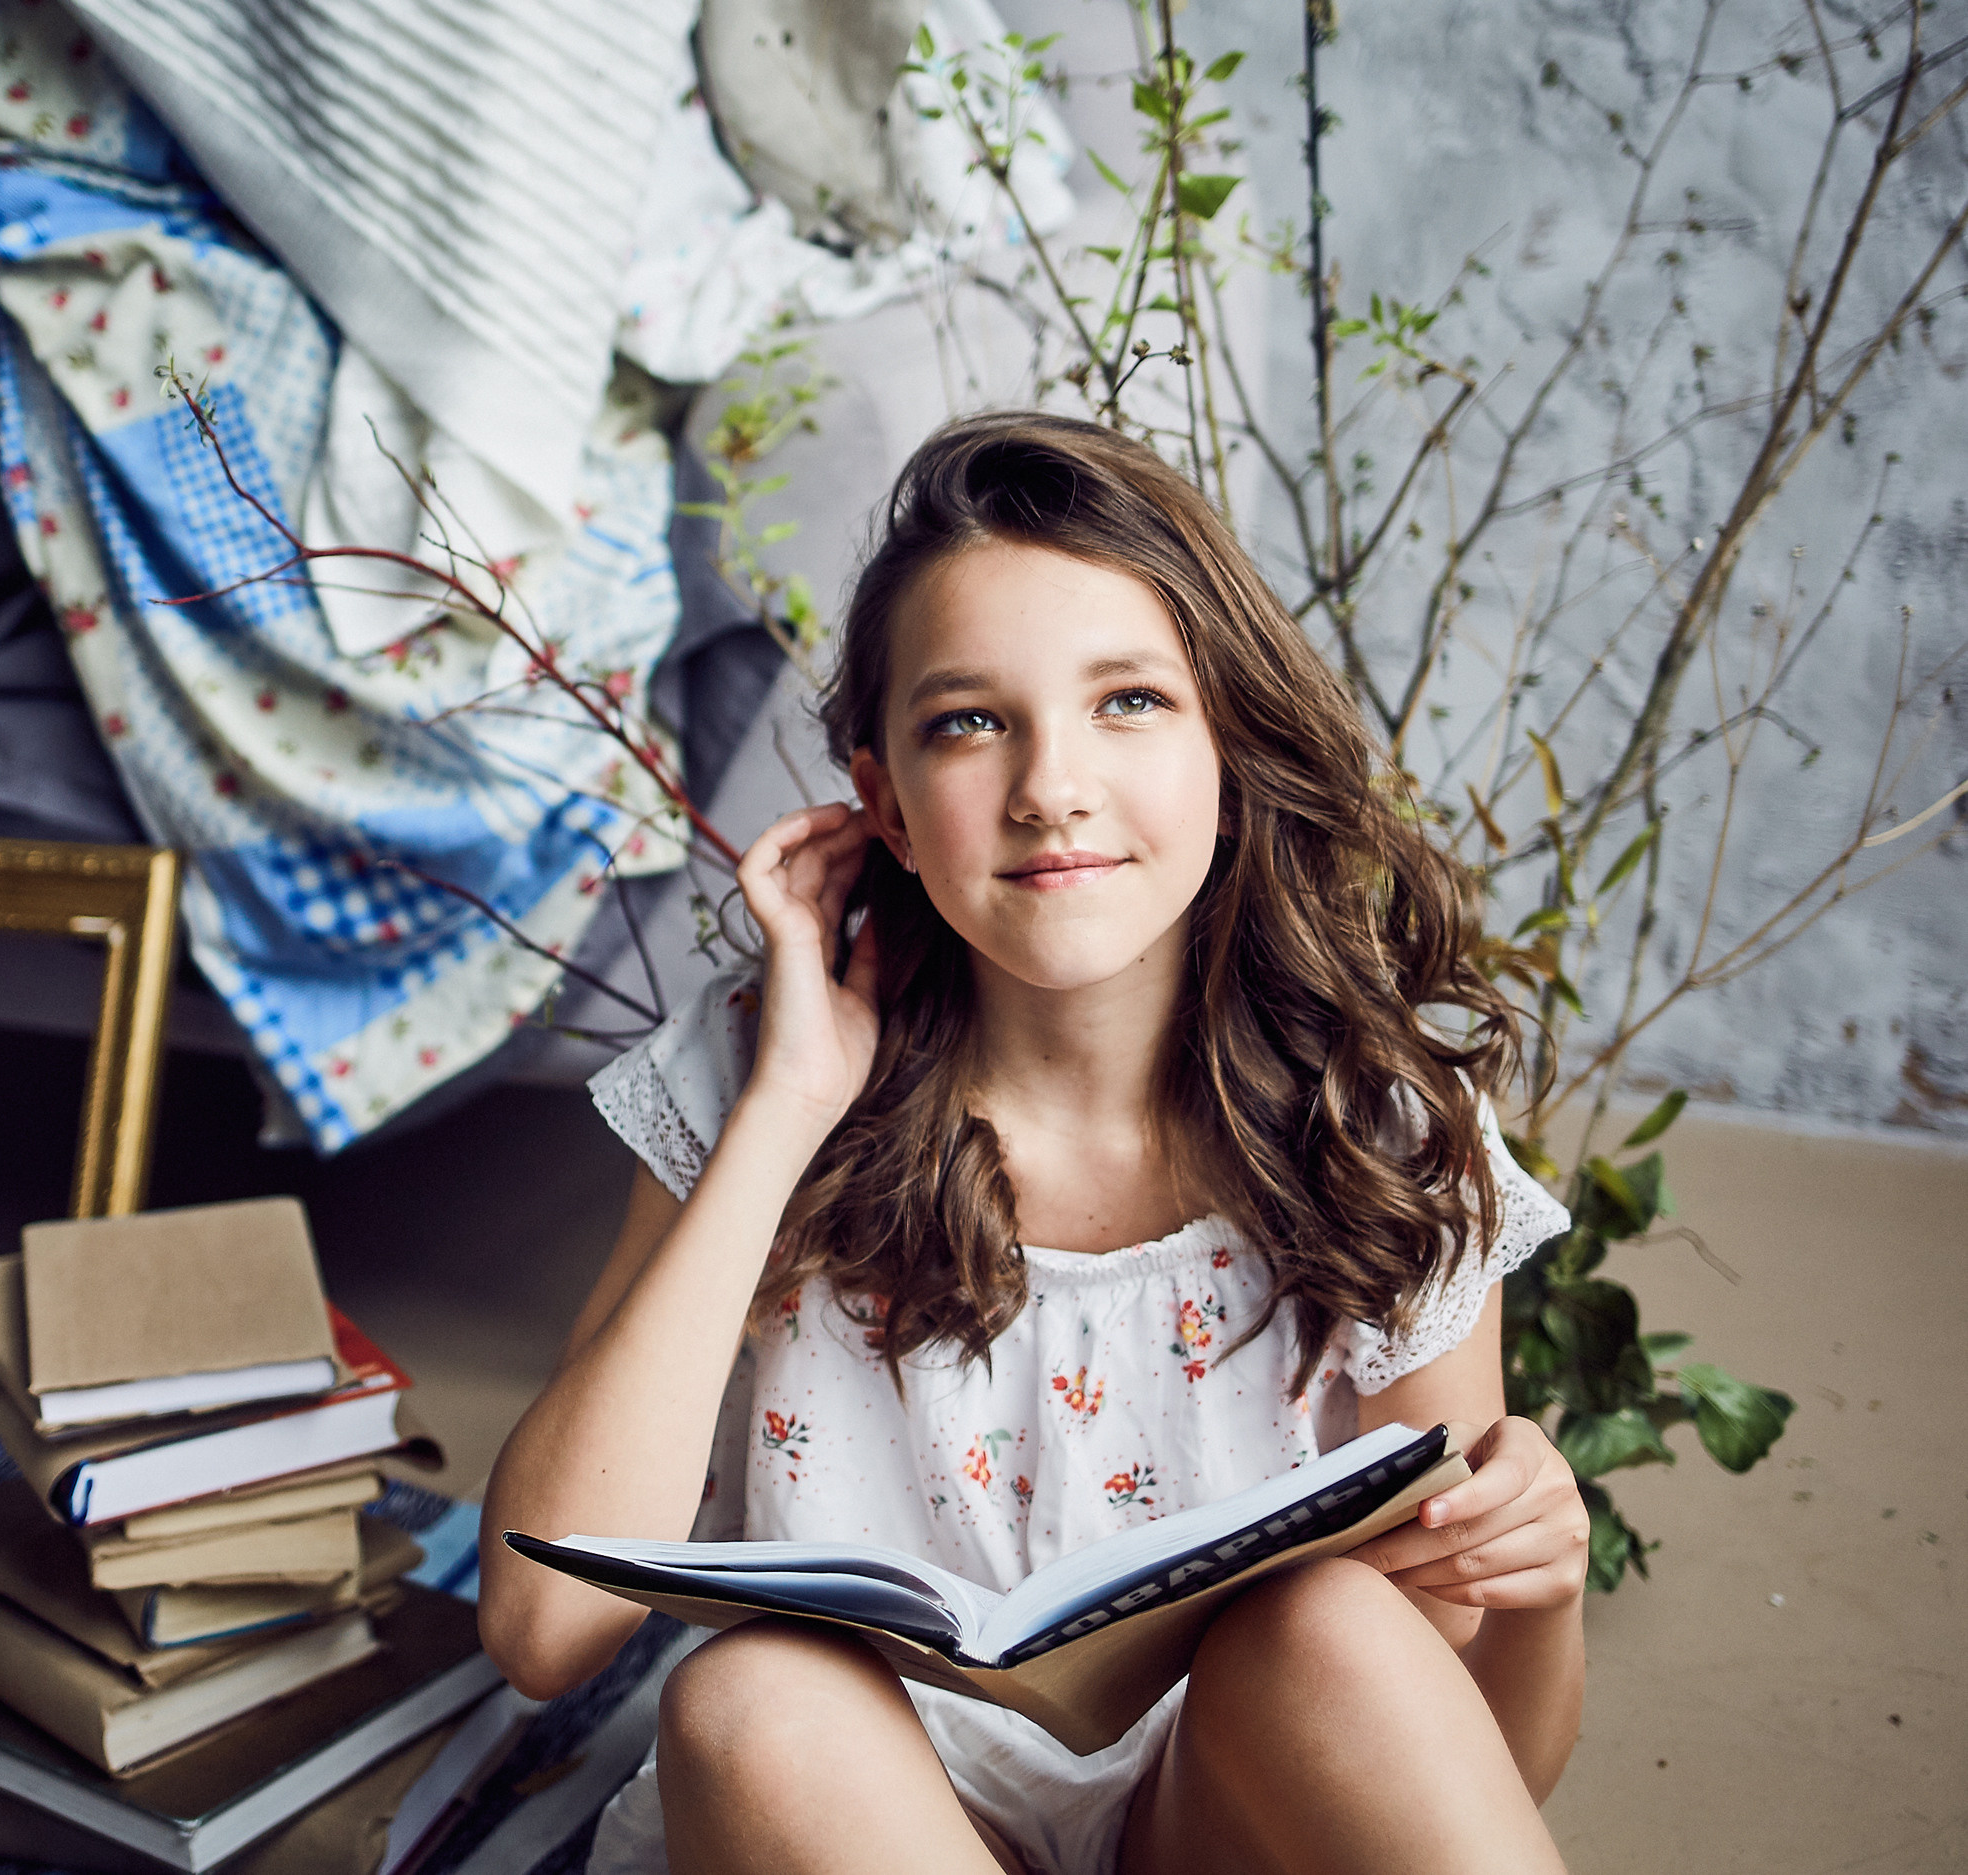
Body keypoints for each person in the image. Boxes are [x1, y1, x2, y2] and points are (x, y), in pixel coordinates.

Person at [478, 412, 1589, 1875]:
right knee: (750, 1697)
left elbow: (1443, 1762)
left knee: (1332, 1627)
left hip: (1215, 1817)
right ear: (882, 798)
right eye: (968, 721)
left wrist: (1543, 1587)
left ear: (1230, 747)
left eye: (1127, 701)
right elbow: (542, 1628)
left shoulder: (1382, 1129)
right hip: (854, 1826)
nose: (1050, 784)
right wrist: (786, 1108)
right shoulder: (758, 1075)